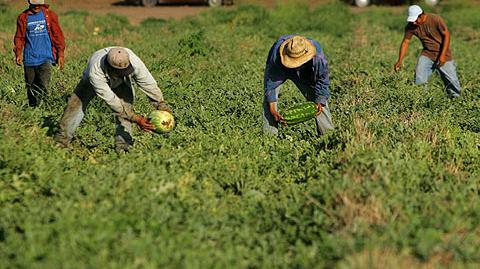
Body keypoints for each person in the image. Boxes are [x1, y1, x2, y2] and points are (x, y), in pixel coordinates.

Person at [54, 47, 172, 153]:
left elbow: (148, 83)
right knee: (75, 106)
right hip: (89, 82)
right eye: (120, 73)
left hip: (120, 82)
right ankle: (61, 143)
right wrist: (136, 118)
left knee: (126, 107)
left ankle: (123, 147)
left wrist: (161, 104)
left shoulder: (133, 60)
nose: (123, 74)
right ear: (109, 68)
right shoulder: (95, 72)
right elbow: (113, 102)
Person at [263, 35, 334, 136]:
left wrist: (320, 101)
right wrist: (272, 108)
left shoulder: (317, 56)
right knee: (268, 102)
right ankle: (269, 138)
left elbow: (322, 81)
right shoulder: (277, 54)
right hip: (281, 69)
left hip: (306, 71)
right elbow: (270, 85)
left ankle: (328, 135)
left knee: (318, 100)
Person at [394, 5, 461, 98]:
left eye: (416, 19)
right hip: (427, 54)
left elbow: (447, 35)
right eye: (412, 20)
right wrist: (399, 61)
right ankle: (421, 99)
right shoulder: (411, 26)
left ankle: (456, 100)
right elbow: (406, 42)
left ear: (422, 15)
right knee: (419, 77)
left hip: (444, 53)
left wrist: (442, 56)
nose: (414, 22)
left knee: (451, 80)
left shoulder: (435, 19)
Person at [13, 0, 65, 107]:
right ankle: (32, 109)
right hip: (29, 58)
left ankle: (44, 107)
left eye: (38, 5)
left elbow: (57, 36)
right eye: (34, 5)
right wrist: (18, 53)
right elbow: (19, 37)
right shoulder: (23, 17)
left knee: (43, 85)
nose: (36, 7)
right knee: (30, 87)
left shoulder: (49, 15)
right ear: (29, 3)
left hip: (46, 57)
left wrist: (60, 54)